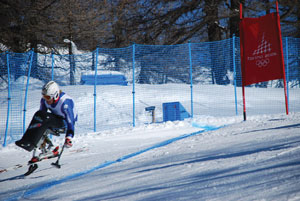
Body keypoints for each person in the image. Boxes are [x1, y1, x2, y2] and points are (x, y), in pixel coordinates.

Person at [40, 80, 78, 148]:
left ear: (55, 95)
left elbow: (70, 122)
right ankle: (43, 142)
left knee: (46, 121)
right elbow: (41, 115)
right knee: (38, 118)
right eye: (44, 97)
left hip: (66, 123)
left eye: (48, 97)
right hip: (56, 118)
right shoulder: (44, 101)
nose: (46, 100)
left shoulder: (65, 103)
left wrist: (69, 137)